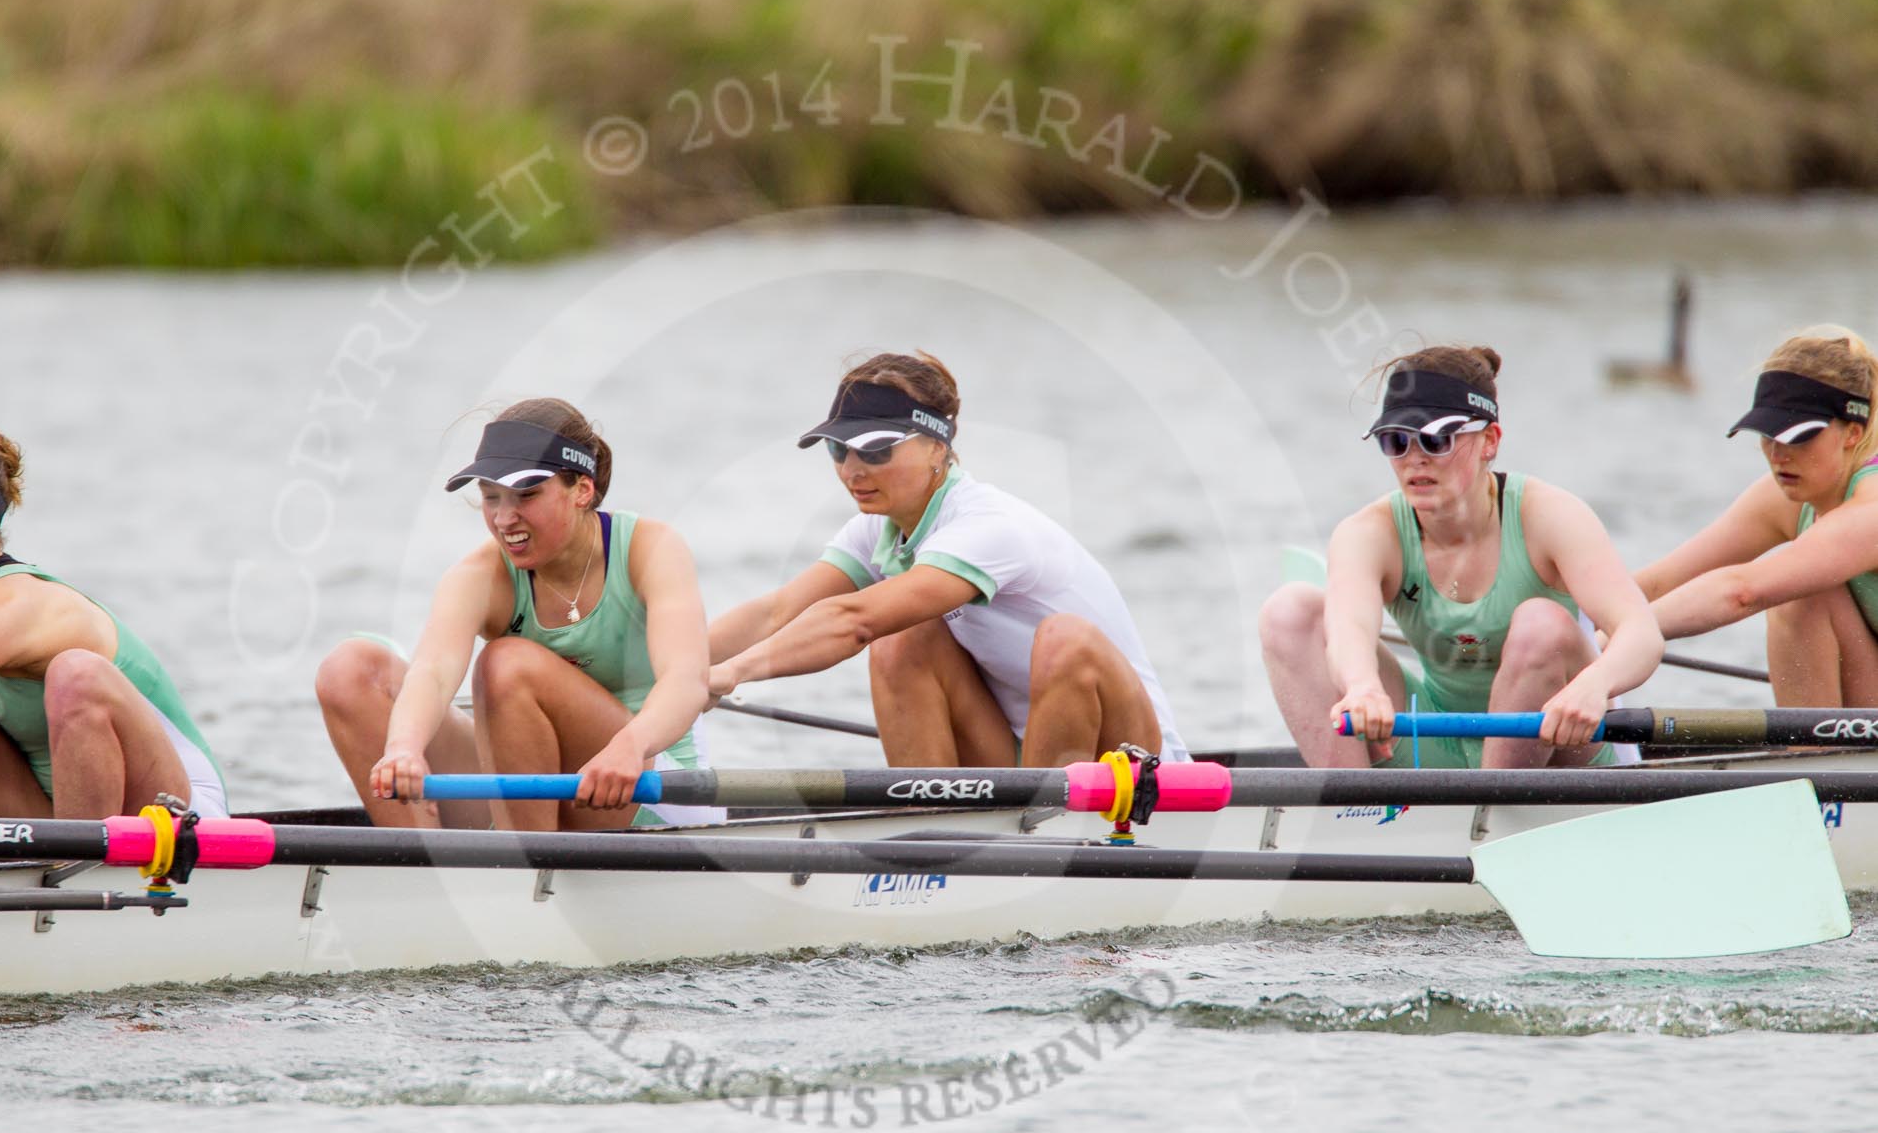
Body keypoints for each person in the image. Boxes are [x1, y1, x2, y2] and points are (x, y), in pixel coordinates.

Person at [706, 351, 1188, 766]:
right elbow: (776, 612)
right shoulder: (880, 527)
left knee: (1065, 637)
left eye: (875, 450)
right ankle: (931, 830)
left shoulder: (989, 526)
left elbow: (853, 622)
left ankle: (1037, 834)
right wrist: (666, 672)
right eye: (838, 449)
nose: (852, 470)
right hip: (1016, 754)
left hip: (1130, 761)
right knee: (903, 638)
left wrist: (730, 675)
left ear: (938, 445)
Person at [315, 399, 715, 830]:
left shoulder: (649, 549)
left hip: (648, 785)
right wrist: (404, 748)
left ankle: (522, 872)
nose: (505, 519)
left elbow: (686, 682)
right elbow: (432, 673)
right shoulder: (477, 576)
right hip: (540, 789)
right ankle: (424, 873)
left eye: (526, 495)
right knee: (350, 670)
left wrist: (631, 744)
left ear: (582, 489)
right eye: (490, 497)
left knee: (506, 664)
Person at [1259, 345, 1662, 768]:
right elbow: (1349, 632)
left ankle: (1492, 814)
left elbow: (1641, 634)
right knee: (1289, 611)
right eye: (1396, 441)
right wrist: (1362, 688)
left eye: (1436, 439)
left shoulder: (1552, 516)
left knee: (1541, 623)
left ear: (1490, 440)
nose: (1414, 458)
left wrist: (1595, 685)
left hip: (1559, 743)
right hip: (1438, 736)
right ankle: (1354, 812)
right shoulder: (1367, 533)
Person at [0, 420, 226, 818]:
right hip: (58, 814)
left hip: (175, 815)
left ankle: (72, 872)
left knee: (75, 673)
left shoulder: (17, 606)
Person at [1635, 328, 1878, 706]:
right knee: (1809, 589)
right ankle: (1814, 757)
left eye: (1798, 437)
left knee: (1795, 593)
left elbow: (1741, 593)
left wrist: (1613, 643)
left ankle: (1810, 760)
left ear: (1852, 432)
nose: (1779, 455)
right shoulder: (1786, 496)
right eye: (1769, 435)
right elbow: (1655, 586)